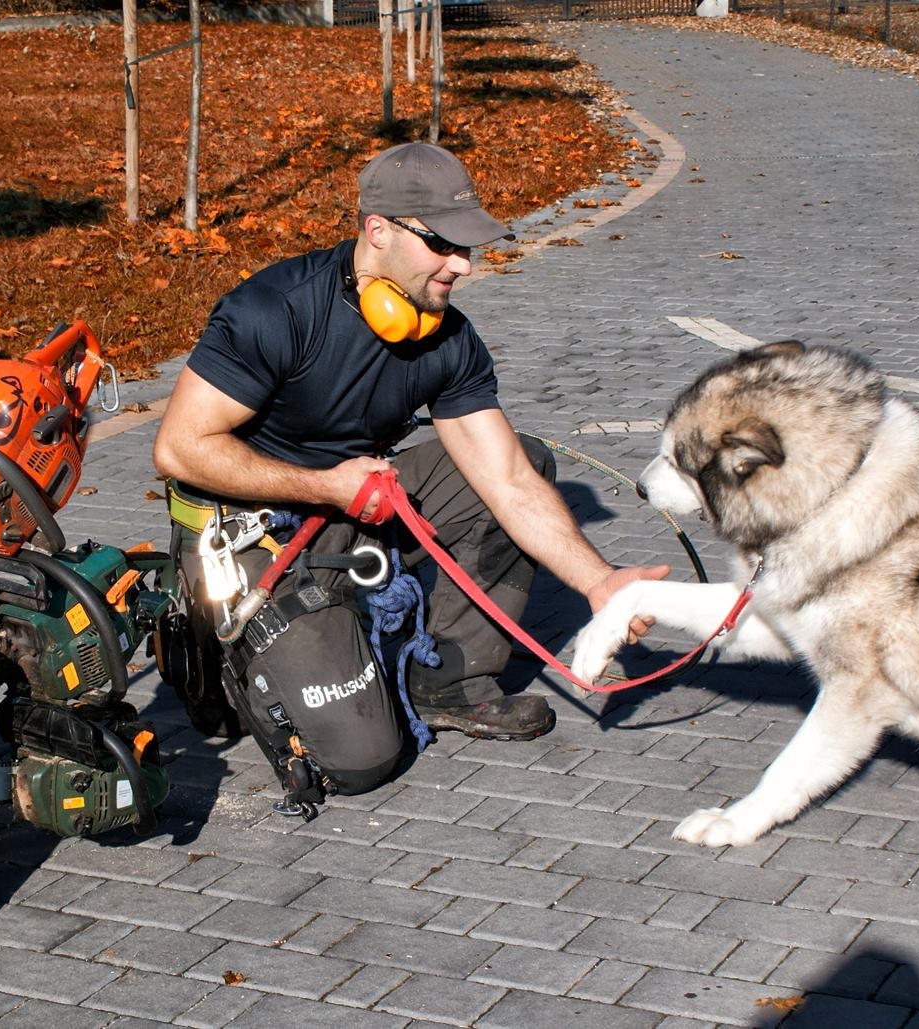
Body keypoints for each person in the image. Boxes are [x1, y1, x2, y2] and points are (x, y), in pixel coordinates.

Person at [153, 141, 665, 805]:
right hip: (250, 532)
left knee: (525, 461)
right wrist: (325, 485)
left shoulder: (447, 338)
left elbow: (506, 478)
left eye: (468, 247)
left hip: (354, 507)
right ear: (378, 231)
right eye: (443, 244)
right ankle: (210, 643)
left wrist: (599, 582)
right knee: (362, 760)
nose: (462, 265)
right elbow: (179, 448)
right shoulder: (276, 311)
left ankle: (449, 678)